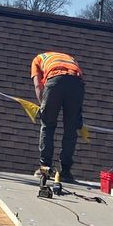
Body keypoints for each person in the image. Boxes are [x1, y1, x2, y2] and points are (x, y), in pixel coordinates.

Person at [31, 50, 86, 184]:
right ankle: (66, 172)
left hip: (55, 80)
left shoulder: (38, 59)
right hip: (76, 83)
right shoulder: (70, 58)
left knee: (48, 125)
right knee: (71, 129)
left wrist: (43, 106)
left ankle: (45, 167)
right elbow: (77, 80)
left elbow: (38, 85)